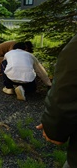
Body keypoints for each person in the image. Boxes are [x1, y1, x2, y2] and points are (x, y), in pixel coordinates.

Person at [36, 34, 77, 168]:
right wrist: (47, 82)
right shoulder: (30, 56)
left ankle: (9, 87)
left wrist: (54, 129)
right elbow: (40, 70)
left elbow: (67, 90)